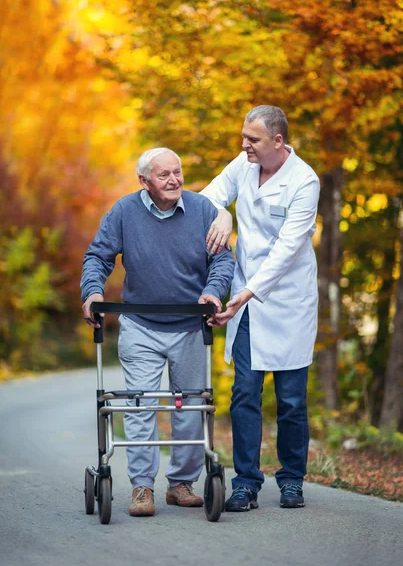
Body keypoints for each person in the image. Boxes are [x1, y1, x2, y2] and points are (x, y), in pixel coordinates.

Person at [81, 148, 234, 517]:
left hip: (189, 325)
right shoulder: (123, 211)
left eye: (177, 172)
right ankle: (142, 488)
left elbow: (223, 259)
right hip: (140, 325)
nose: (174, 180)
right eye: (164, 175)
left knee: (189, 406)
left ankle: (181, 484)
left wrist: (213, 292)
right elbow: (98, 256)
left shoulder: (201, 210)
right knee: (141, 405)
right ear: (144, 181)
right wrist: (93, 293)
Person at [201, 105, 320, 510]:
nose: (243, 144)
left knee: (290, 401)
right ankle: (246, 482)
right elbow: (207, 198)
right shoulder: (244, 164)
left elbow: (288, 248)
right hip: (247, 302)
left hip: (286, 300)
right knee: (244, 394)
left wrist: (247, 292)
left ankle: (291, 480)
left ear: (278, 141)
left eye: (252, 139)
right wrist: (222, 216)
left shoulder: (305, 181)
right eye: (243, 136)